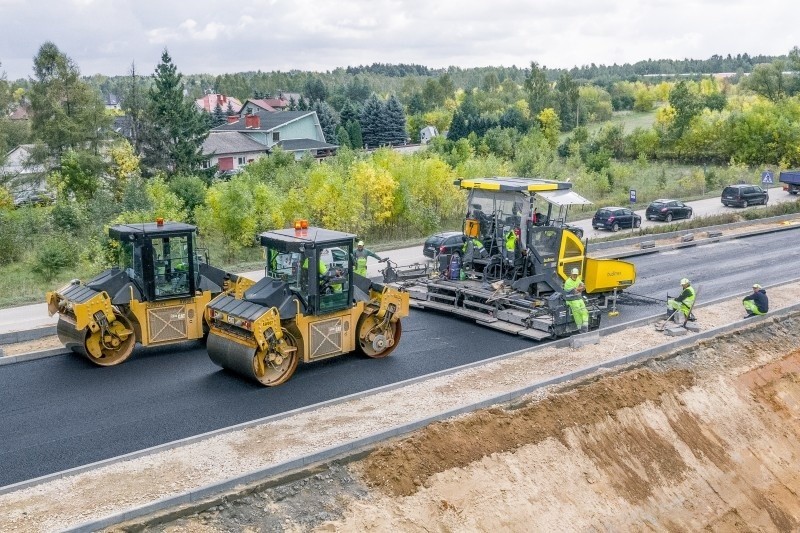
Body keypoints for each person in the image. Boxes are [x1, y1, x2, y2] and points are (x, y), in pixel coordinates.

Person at [564, 267, 589, 333]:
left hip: (578, 298)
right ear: (571, 274)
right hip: (571, 300)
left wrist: (579, 288)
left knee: (584, 310)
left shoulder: (578, 279)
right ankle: (580, 328)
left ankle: (585, 325)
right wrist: (579, 288)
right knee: (577, 312)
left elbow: (583, 287)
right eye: (574, 274)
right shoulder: (568, 282)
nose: (575, 275)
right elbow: (574, 291)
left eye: (576, 274)